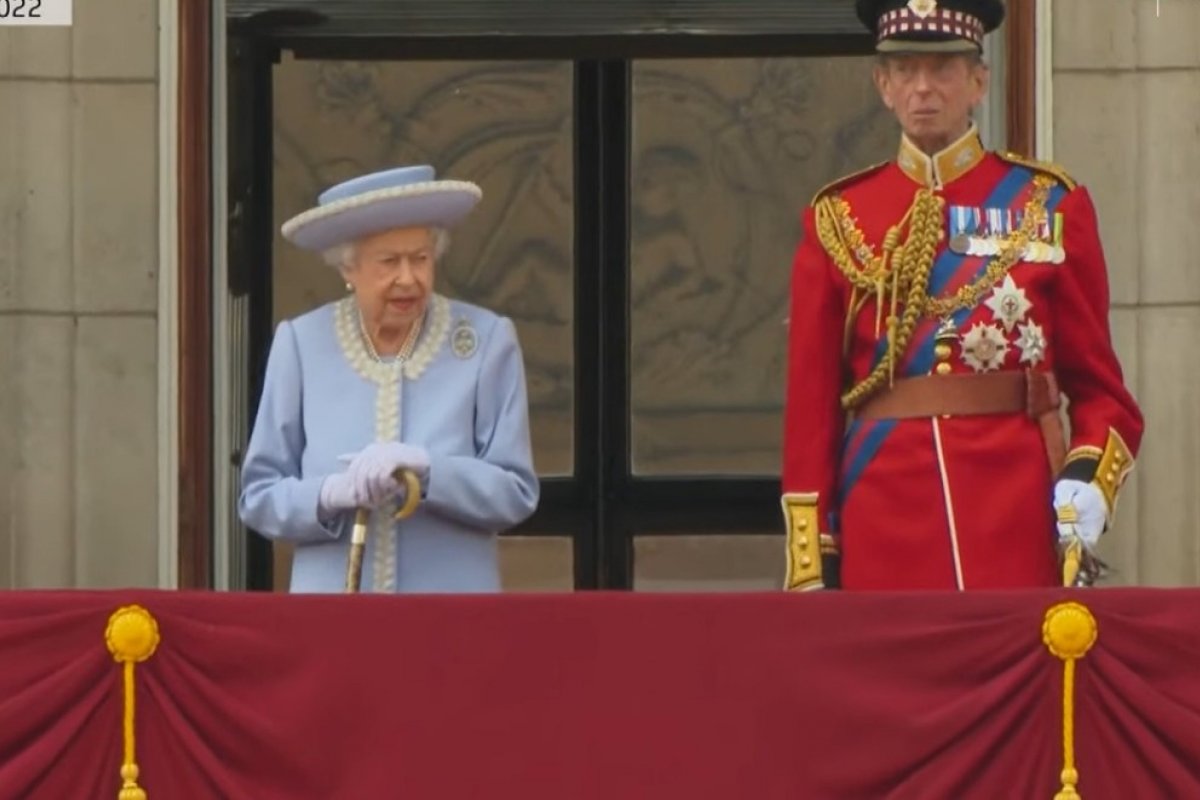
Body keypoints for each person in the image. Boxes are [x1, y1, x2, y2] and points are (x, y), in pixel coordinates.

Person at [779, 0, 1144, 591]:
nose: (923, 88)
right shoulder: (839, 218)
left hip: (1014, 512)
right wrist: (811, 556)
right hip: (884, 515)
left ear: (979, 82)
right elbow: (811, 411)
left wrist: (1087, 480)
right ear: (883, 85)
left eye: (943, 68)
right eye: (905, 70)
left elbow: (1104, 394)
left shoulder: (1048, 205)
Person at [239, 165, 540, 593]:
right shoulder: (301, 344)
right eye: (388, 262)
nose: (408, 277)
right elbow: (259, 497)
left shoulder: (487, 340)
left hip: (450, 618)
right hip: (335, 618)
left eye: (420, 258)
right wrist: (327, 495)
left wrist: (429, 469)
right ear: (349, 269)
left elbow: (515, 491)